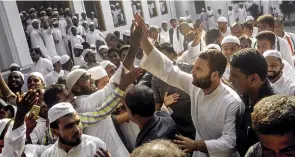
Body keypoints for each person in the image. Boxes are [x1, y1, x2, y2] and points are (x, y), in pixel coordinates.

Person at [132, 13, 244, 157]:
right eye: (194, 66)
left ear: (215, 75)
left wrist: (197, 145)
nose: (193, 71)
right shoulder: (195, 85)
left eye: (198, 69)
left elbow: (230, 142)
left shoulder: (232, 102)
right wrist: (144, 40)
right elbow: (168, 69)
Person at [229, 48, 275, 156]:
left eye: (234, 76)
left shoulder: (271, 113)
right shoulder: (243, 96)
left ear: (254, 79)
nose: (230, 79)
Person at [152, 43, 196, 139]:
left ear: (173, 55)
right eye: (157, 56)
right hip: (174, 126)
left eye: (162, 55)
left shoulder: (188, 69)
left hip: (195, 122)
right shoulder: (155, 77)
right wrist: (164, 105)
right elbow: (157, 104)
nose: (160, 59)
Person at [41, 102, 109, 156]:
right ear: (55, 132)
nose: (77, 129)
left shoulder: (96, 147)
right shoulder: (48, 155)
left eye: (77, 122)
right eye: (69, 126)